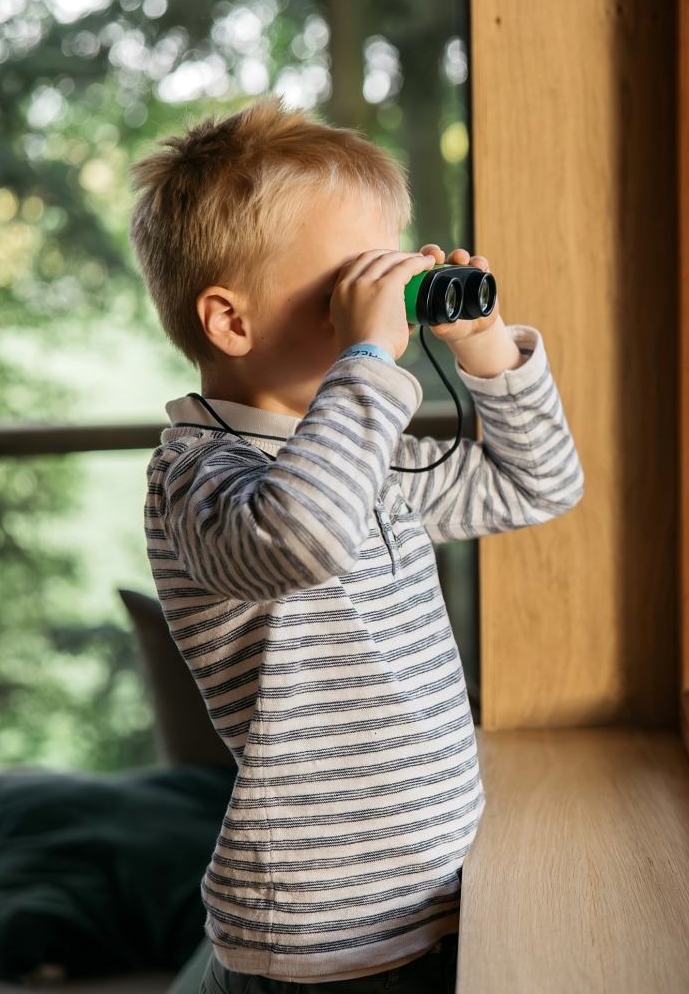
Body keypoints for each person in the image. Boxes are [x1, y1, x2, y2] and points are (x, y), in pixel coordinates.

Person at [129, 97, 583, 993]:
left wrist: (487, 348)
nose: (388, 305)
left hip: (438, 885)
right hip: (319, 931)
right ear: (230, 322)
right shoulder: (195, 480)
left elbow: (540, 485)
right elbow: (299, 538)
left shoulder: (362, 456)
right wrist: (370, 366)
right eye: (353, 283)